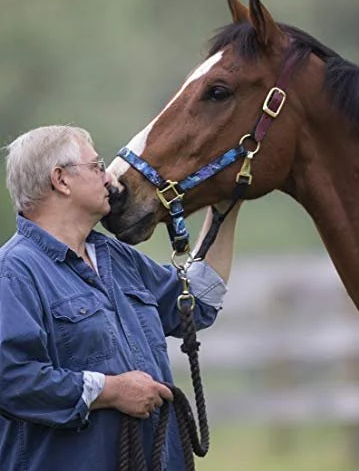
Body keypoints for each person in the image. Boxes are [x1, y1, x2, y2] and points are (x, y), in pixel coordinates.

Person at [0, 125, 241, 471]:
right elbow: (11, 380)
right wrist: (110, 391)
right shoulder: (13, 272)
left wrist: (224, 206)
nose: (109, 179)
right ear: (61, 180)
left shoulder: (114, 256)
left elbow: (197, 302)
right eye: (97, 166)